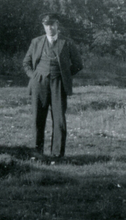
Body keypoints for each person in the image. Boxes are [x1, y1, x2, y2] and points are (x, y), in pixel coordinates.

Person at [22, 14, 83, 158]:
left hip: (59, 84)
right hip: (39, 83)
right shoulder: (36, 42)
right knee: (38, 117)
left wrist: (64, 75)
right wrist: (34, 76)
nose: (50, 28)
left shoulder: (67, 43)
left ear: (57, 25)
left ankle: (57, 154)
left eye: (52, 24)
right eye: (46, 25)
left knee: (59, 119)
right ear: (43, 26)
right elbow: (26, 63)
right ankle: (37, 152)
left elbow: (78, 65)